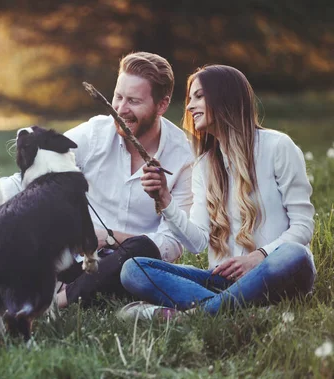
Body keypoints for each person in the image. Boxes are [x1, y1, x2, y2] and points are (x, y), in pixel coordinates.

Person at [0, 52, 195, 308]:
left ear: (162, 105)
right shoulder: (95, 133)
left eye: (134, 101)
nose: (121, 109)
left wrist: (109, 237)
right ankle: (73, 293)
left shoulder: (184, 157)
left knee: (142, 252)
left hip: (130, 267)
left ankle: (58, 301)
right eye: (118, 97)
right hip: (76, 261)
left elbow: (171, 243)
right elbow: (33, 177)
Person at [119, 64, 316, 319]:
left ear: (226, 97)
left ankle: (193, 315)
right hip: (226, 281)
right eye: (189, 99)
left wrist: (259, 257)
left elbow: (303, 227)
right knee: (134, 269)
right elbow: (197, 242)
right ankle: (238, 311)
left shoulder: (278, 147)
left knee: (294, 253)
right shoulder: (204, 165)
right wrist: (165, 200)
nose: (189, 107)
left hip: (279, 271)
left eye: (199, 96)